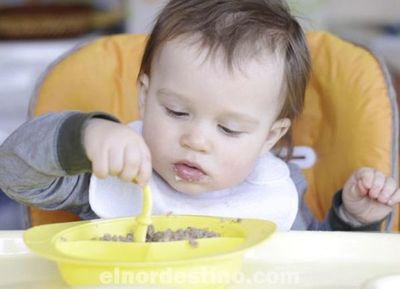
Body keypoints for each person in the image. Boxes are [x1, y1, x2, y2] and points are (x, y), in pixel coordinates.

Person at [0, 0, 398, 231]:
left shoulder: (277, 190)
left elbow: (317, 266)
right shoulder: (117, 171)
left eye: (229, 128)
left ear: (270, 136)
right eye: (175, 111)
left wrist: (351, 218)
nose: (195, 139)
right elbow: (14, 173)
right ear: (144, 96)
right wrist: (85, 136)